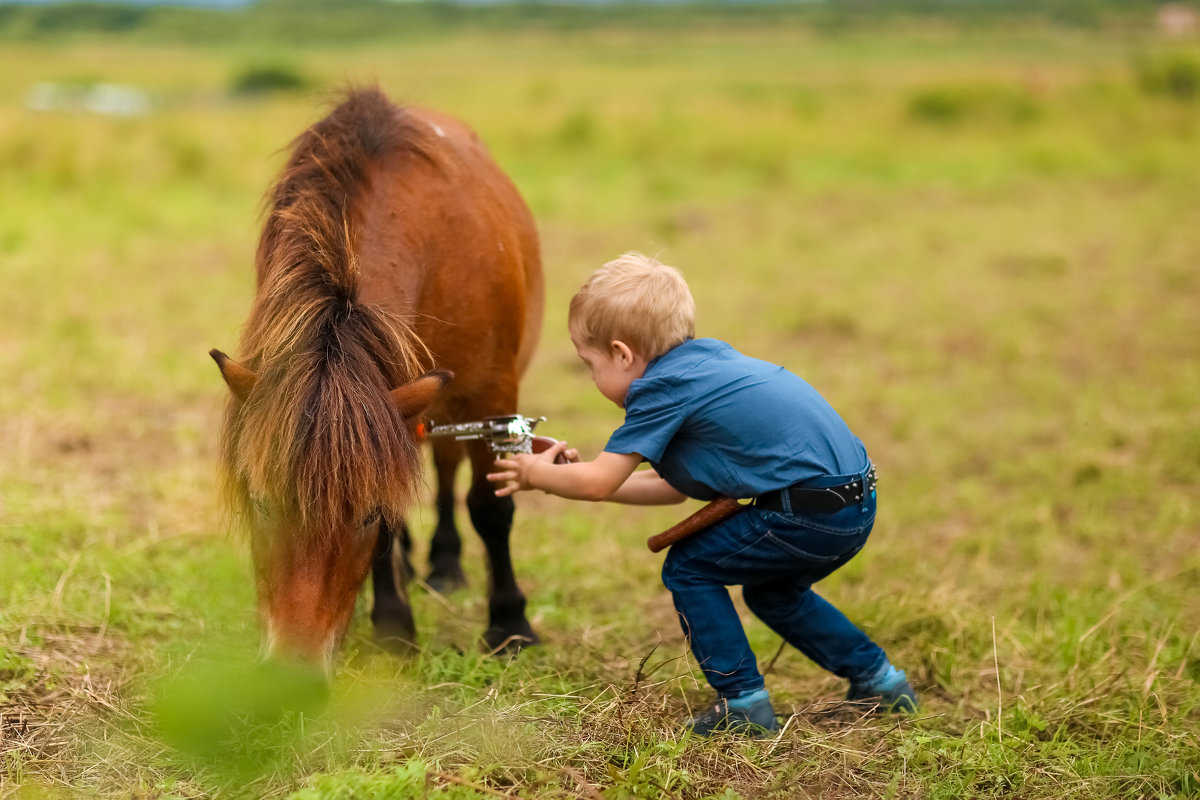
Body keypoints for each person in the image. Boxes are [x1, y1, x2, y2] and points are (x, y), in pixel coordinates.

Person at [487, 252, 916, 736]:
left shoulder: (659, 388)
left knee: (690, 567)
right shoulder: (707, 363)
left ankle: (743, 703)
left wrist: (533, 474)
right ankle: (881, 682)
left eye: (590, 364)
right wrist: (580, 474)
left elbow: (597, 482)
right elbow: (667, 489)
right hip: (851, 504)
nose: (591, 378)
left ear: (623, 353)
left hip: (806, 512)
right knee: (774, 594)